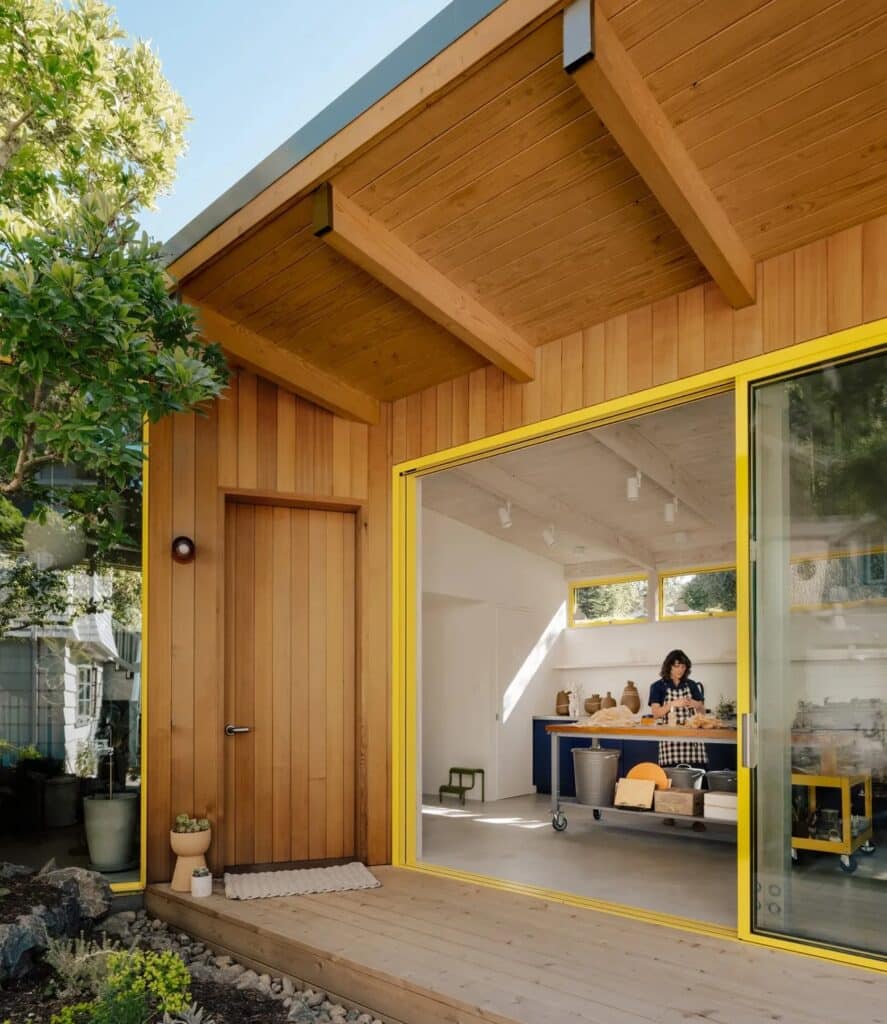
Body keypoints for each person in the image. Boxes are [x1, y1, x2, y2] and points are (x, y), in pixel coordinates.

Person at [649, 649, 707, 829]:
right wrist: (673, 704)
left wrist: (695, 704)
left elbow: (702, 710)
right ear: (669, 667)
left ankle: (698, 817)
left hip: (691, 737)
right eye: (676, 666)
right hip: (670, 738)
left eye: (683, 666)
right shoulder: (658, 686)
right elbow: (656, 713)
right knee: (670, 775)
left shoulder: (691, 685)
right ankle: (669, 813)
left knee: (695, 776)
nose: (680, 670)